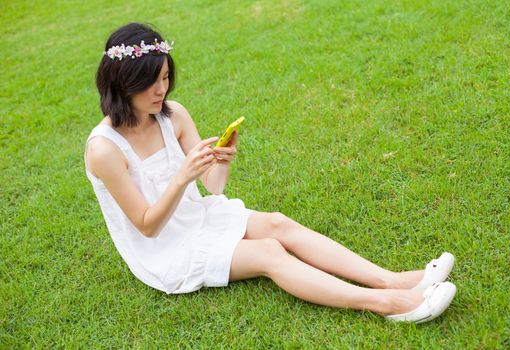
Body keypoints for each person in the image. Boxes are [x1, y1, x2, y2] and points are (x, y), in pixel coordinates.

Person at [84, 22, 457, 324]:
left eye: (165, 78)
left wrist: (222, 160)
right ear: (122, 83)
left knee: (278, 223)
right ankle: (388, 303)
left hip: (198, 217)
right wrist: (181, 177)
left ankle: (392, 279)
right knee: (268, 253)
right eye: (151, 83)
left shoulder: (172, 114)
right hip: (165, 251)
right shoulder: (105, 149)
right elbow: (147, 226)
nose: (161, 90)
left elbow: (213, 188)